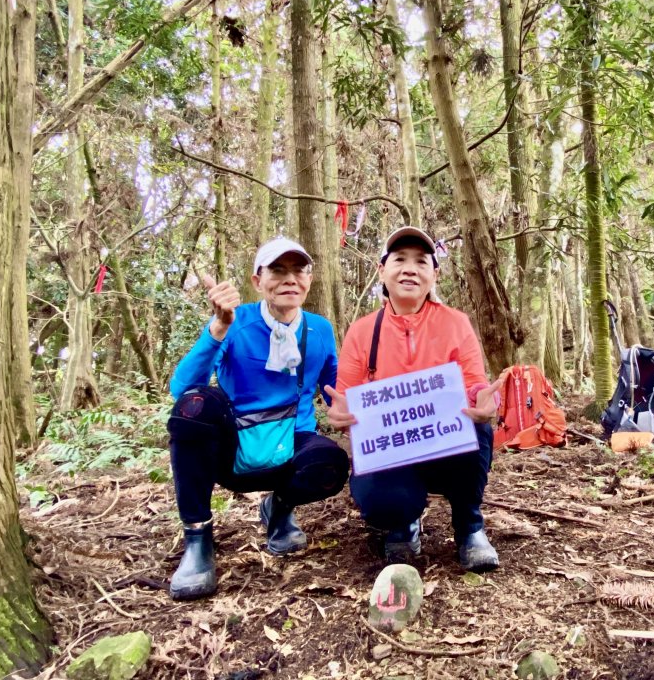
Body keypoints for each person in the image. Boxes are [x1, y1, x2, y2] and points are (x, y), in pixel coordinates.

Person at [166, 237, 350, 600]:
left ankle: (279, 509)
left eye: (299, 270)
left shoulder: (320, 328)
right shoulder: (237, 321)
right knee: (195, 408)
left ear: (310, 279)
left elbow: (338, 387)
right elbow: (183, 389)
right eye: (277, 270)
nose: (289, 279)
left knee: (330, 463)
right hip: (234, 445)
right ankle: (198, 540)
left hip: (292, 439)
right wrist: (218, 328)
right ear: (257, 281)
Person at [325, 227, 506, 572]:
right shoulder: (362, 331)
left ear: (434, 274)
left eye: (421, 262)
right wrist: (342, 414)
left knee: (475, 426)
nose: (410, 269)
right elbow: (346, 397)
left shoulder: (456, 323)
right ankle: (403, 522)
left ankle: (470, 527)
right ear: (382, 270)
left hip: (445, 447)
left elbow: (473, 385)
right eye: (400, 260)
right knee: (379, 501)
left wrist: (484, 402)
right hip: (393, 451)